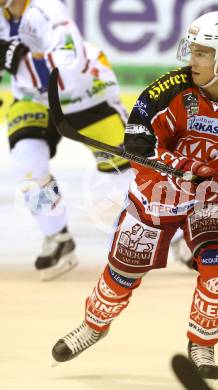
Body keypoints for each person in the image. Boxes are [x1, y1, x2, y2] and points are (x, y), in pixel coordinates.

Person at [51, 11, 218, 381]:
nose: (190, 60)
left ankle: (203, 343)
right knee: (124, 269)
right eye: (191, 49)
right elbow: (138, 143)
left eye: (202, 53)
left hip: (215, 193)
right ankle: (95, 326)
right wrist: (179, 165)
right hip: (157, 191)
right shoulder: (168, 91)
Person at [0, 0, 131, 280]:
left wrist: (17, 61)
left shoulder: (48, 9)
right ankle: (57, 238)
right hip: (32, 98)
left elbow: (66, 73)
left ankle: (178, 236)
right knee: (27, 161)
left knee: (127, 174)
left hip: (87, 95)